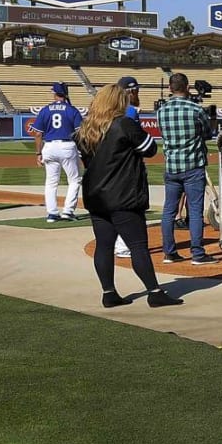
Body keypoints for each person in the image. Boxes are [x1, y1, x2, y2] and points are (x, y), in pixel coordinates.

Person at [74, 83, 180, 308]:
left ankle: (109, 292)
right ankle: (154, 292)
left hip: (96, 195)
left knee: (104, 245)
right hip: (123, 194)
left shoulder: (86, 127)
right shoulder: (124, 124)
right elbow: (150, 149)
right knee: (138, 245)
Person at [157, 72, 216, 264]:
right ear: (188, 87)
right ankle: (197, 253)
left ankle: (169, 252)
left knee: (169, 211)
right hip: (193, 165)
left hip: (172, 166)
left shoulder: (161, 110)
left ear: (169, 89)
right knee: (196, 210)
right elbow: (208, 133)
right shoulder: (195, 109)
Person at [32, 82, 83, 221]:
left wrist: (38, 153)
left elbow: (37, 134)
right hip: (67, 146)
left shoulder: (45, 110)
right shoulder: (72, 110)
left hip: (49, 147)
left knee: (51, 182)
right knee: (74, 180)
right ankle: (68, 211)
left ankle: (52, 213)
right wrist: (81, 151)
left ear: (55, 93)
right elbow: (80, 134)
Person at [113, 76, 143, 258]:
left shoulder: (107, 110)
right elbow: (138, 142)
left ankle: (115, 243)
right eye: (136, 90)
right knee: (129, 207)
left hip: (108, 164)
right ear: (130, 92)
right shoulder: (130, 112)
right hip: (127, 165)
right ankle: (123, 245)